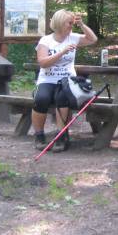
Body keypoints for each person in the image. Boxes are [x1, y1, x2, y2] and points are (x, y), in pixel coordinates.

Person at [30, 10, 97, 151]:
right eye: (69, 23)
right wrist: (62, 52)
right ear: (60, 23)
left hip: (67, 80)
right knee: (41, 99)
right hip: (47, 79)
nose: (72, 25)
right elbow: (43, 63)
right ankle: (39, 136)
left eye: (73, 23)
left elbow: (93, 39)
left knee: (62, 98)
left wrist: (82, 24)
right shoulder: (46, 40)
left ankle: (61, 136)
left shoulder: (73, 38)